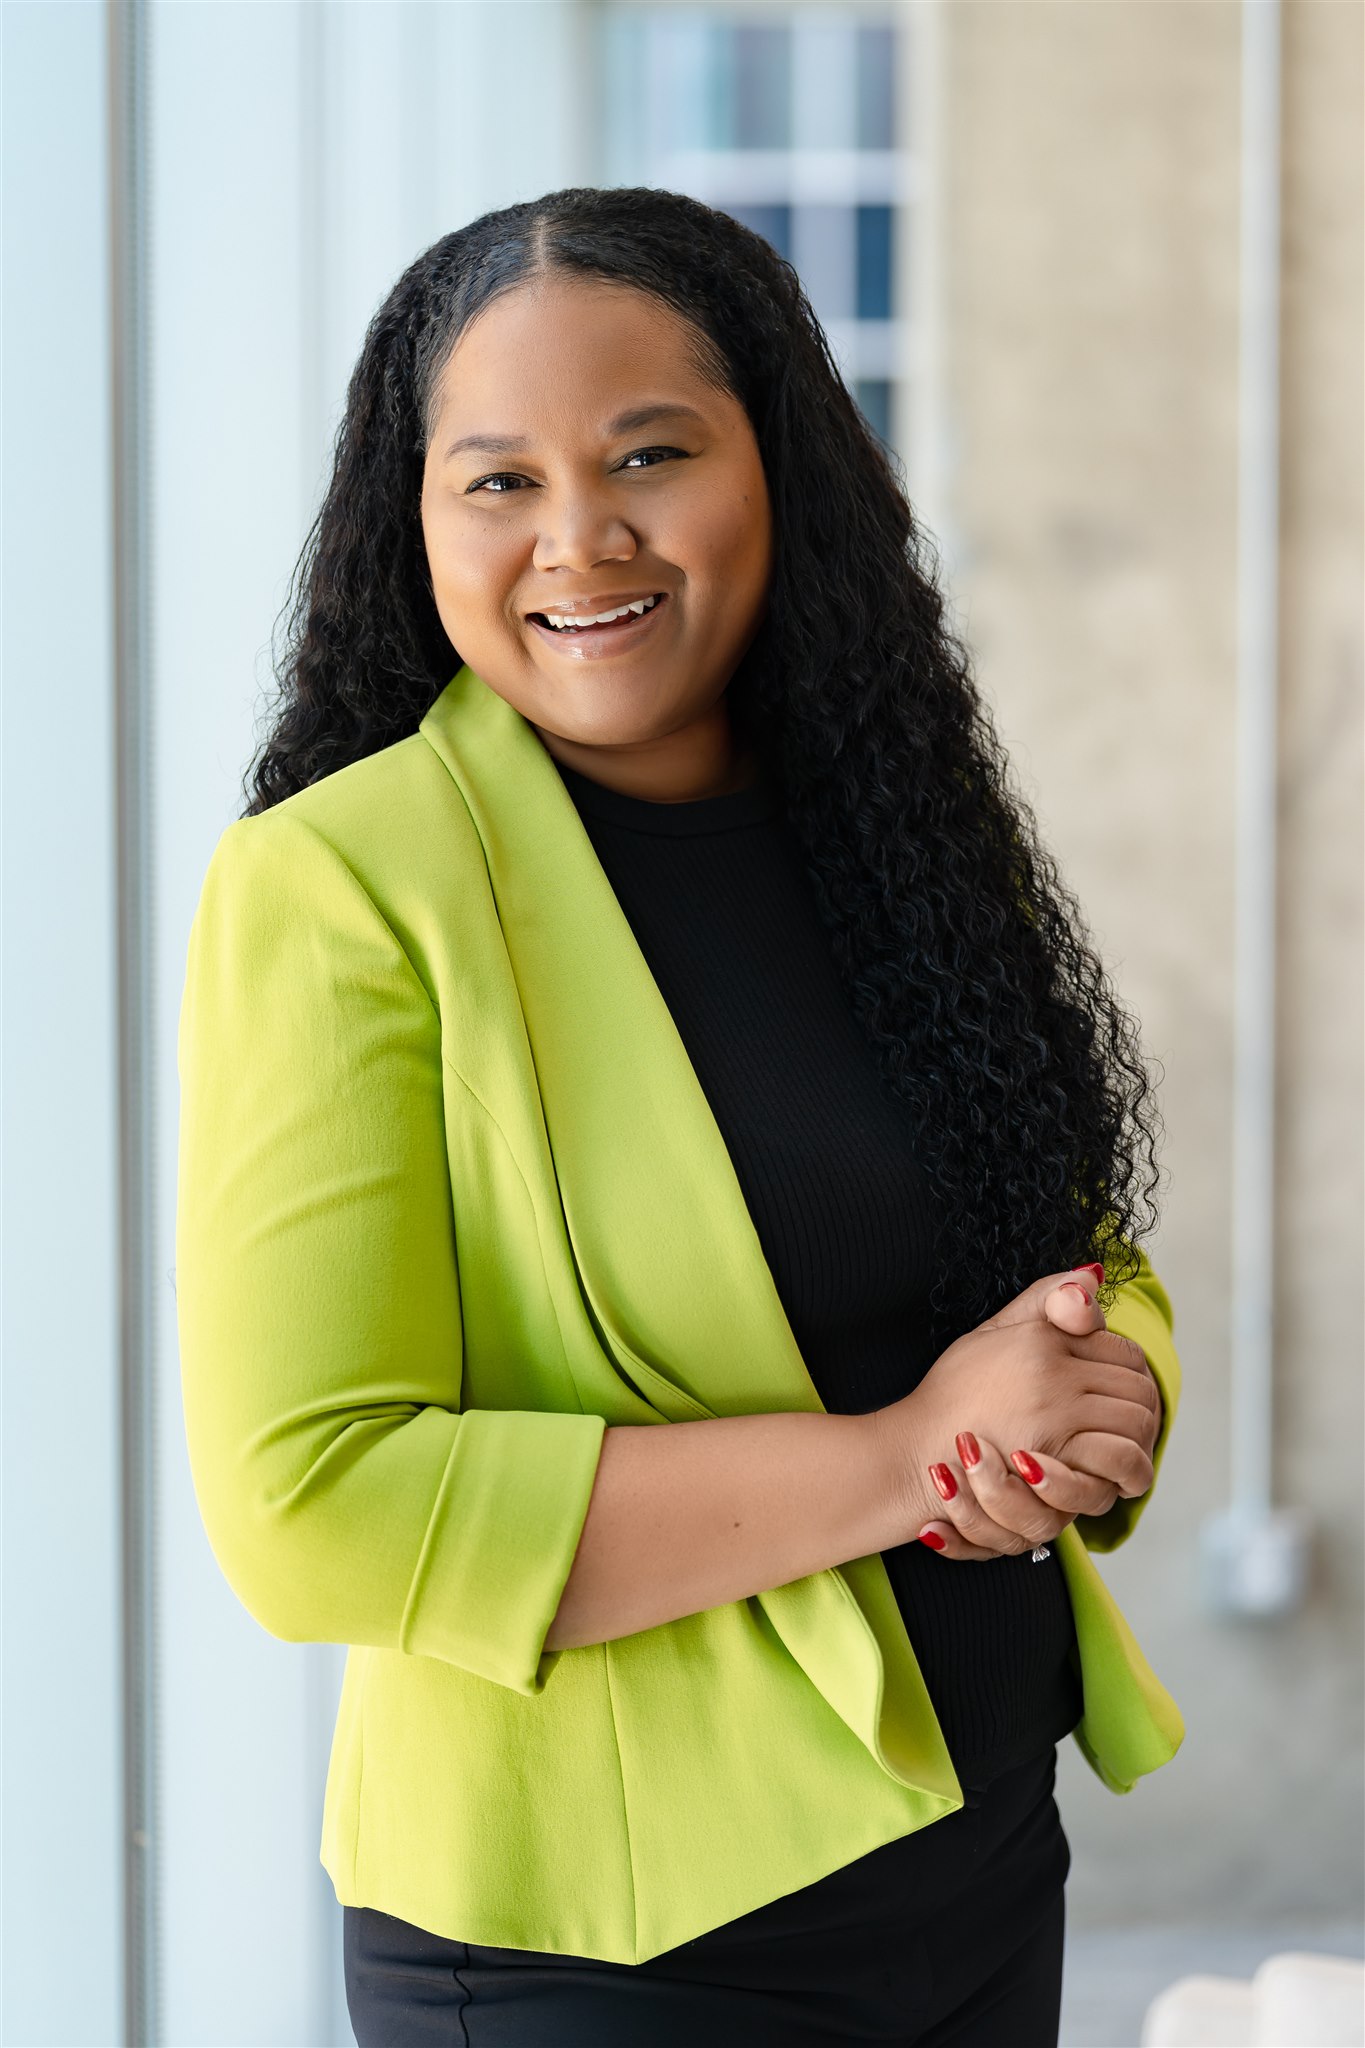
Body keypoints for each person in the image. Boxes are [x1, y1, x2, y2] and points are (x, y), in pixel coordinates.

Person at [175, 186, 1184, 2047]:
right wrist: (904, 1462)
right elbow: (309, 1506)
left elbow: (1044, 1238)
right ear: (411, 525)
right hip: (608, 1945)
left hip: (973, 1854)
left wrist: (1105, 1377)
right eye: (497, 481)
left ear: (779, 473)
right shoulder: (338, 887)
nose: (580, 538)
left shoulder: (879, 818)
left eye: (651, 452)